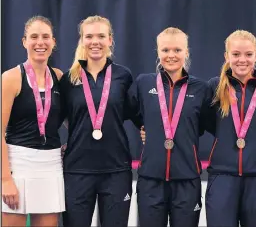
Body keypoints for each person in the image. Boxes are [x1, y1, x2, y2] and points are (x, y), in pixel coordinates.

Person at [128, 27, 212, 227]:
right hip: (150, 179)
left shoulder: (201, 89)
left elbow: (203, 125)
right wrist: (146, 127)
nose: (171, 55)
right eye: (165, 50)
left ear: (187, 52)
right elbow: (129, 111)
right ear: (158, 52)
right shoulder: (143, 83)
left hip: (187, 179)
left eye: (177, 50)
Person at [59, 15, 138, 227]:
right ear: (82, 40)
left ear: (110, 39)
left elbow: (137, 113)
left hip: (116, 170)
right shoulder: (69, 79)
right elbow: (58, 118)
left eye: (101, 36)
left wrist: (146, 130)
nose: (95, 41)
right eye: (89, 36)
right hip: (77, 171)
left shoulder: (123, 76)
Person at [205, 30, 256, 227]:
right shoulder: (214, 86)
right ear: (226, 56)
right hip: (222, 177)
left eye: (248, 54)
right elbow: (198, 124)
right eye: (236, 54)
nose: (242, 60)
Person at [1, 15, 65, 227]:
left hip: (51, 165)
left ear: (53, 42)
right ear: (24, 41)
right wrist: (5, 179)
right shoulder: (10, 78)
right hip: (18, 166)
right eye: (34, 37)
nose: (40, 42)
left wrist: (73, 144)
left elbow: (74, 120)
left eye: (46, 37)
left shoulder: (59, 77)